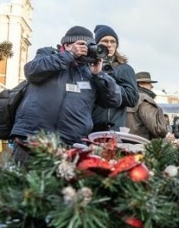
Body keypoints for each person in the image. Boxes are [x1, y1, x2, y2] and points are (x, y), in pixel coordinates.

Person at [10, 26, 122, 164]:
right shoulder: (48, 54)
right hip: (32, 138)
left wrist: (98, 74)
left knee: (61, 186)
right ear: (67, 45)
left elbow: (115, 100)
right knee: (22, 183)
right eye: (81, 45)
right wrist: (68, 56)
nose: (84, 50)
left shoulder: (90, 71)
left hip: (71, 144)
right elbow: (31, 71)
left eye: (88, 46)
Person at [91, 25, 139, 131]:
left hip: (112, 128)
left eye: (113, 41)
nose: (109, 45)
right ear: (96, 44)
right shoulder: (89, 66)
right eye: (105, 41)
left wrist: (110, 85)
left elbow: (132, 99)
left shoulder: (124, 69)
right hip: (89, 128)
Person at [125, 71, 169, 140]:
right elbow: (158, 129)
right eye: (149, 83)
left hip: (125, 142)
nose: (152, 86)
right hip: (141, 143)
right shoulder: (145, 100)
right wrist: (166, 132)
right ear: (141, 84)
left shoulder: (127, 98)